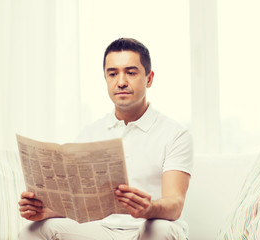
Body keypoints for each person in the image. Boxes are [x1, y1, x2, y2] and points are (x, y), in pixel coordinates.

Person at [18, 38, 193, 240]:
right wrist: (44, 211)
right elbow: (78, 205)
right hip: (103, 231)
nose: (121, 82)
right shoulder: (90, 133)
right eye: (113, 74)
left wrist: (149, 208)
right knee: (34, 230)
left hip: (149, 228)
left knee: (160, 229)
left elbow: (175, 204)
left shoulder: (174, 134)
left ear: (149, 78)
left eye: (131, 72)